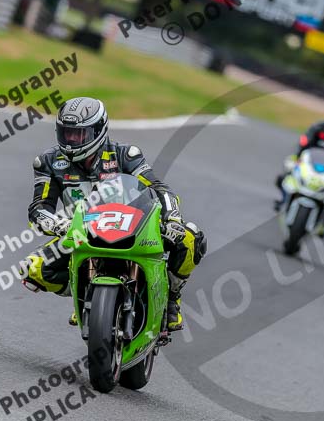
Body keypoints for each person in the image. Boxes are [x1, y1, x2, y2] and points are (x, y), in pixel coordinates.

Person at [22, 97, 206, 339]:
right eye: (67, 134)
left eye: (80, 134)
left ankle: (172, 297)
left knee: (190, 239)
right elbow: (38, 208)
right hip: (81, 234)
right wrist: (57, 224)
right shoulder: (48, 163)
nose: (72, 141)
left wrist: (172, 218)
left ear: (98, 131)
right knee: (32, 269)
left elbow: (160, 189)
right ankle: (84, 293)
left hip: (131, 227)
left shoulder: (125, 155)